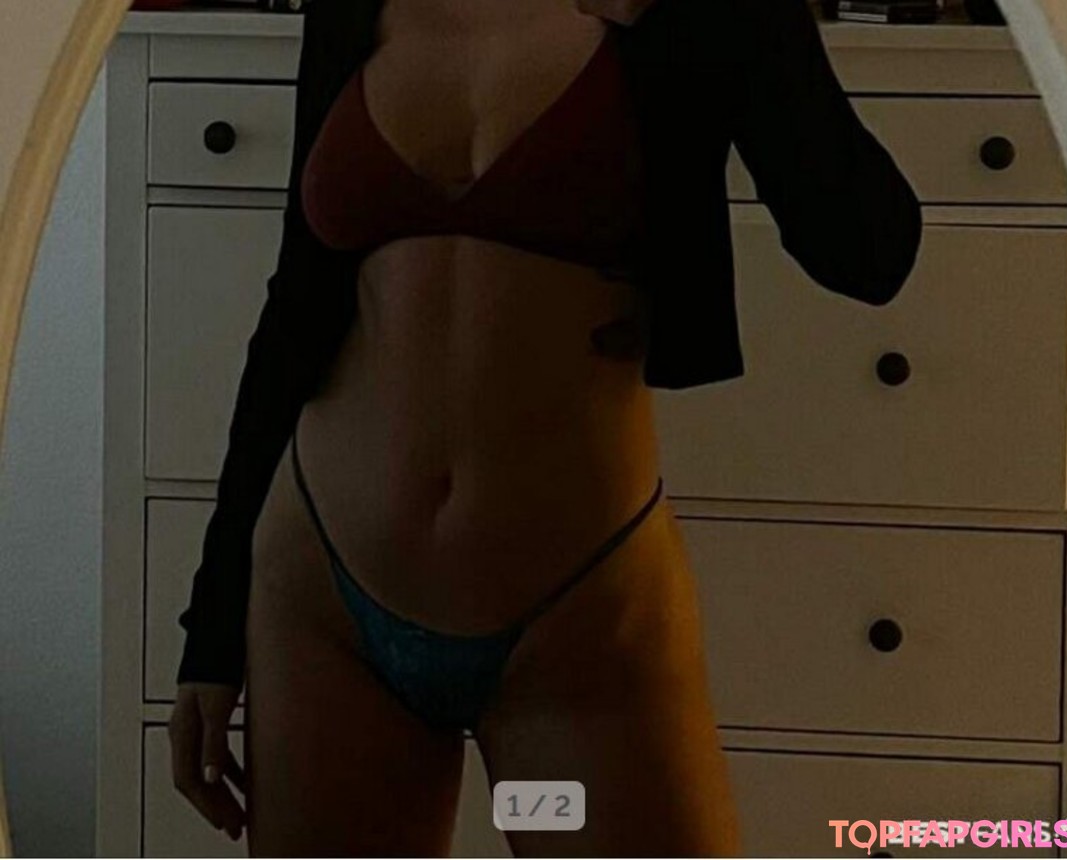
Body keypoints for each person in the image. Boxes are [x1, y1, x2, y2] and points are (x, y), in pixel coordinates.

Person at [167, 0, 923, 855]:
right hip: (329, 612)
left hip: (575, 635)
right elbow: (297, 309)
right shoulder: (355, 2)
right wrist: (213, 635)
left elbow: (870, 254)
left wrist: (720, 13)